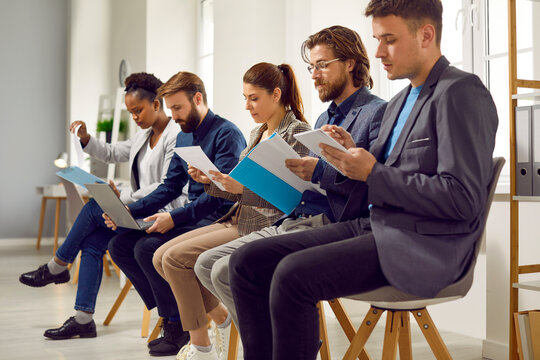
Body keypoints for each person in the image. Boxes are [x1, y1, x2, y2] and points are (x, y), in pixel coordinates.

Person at [228, 1, 499, 359]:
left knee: (291, 275)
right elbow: (386, 172)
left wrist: (373, 171)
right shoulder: (402, 99)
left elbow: (462, 199)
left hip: (423, 244)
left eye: (389, 39)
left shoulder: (460, 92)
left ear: (426, 35)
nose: (378, 52)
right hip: (373, 226)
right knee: (246, 261)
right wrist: (351, 154)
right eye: (377, 39)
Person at [194, 25, 386, 335]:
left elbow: (371, 186)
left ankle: (277, 346)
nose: (314, 74)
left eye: (322, 65)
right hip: (297, 214)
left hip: (334, 223)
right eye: (312, 67)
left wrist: (317, 172)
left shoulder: (376, 112)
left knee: (224, 269)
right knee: (208, 266)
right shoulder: (324, 119)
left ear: (350, 63)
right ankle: (270, 344)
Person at [152, 62, 312, 360]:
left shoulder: (297, 132)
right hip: (238, 216)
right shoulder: (257, 132)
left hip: (266, 223)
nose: (248, 105)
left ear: (276, 94)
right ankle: (223, 321)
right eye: (245, 98)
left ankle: (204, 345)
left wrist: (238, 188)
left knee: (174, 259)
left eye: (254, 98)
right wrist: (211, 180)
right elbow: (238, 186)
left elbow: (292, 198)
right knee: (160, 257)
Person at [19, 72, 187, 340]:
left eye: (138, 110)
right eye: (131, 112)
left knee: (93, 209)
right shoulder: (143, 136)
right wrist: (85, 139)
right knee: (94, 242)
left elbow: (165, 186)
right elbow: (111, 152)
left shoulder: (175, 136)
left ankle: (57, 266)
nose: (135, 117)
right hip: (138, 211)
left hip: (160, 213)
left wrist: (123, 195)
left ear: (157, 103)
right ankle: (83, 319)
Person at [107, 71, 246, 357]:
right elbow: (171, 186)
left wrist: (175, 218)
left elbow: (221, 196)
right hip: (192, 216)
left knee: (148, 248)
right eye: (170, 108)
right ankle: (177, 313)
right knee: (119, 245)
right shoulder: (184, 137)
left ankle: (179, 325)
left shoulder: (226, 134)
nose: (173, 115)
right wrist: (127, 210)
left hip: (217, 218)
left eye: (178, 108)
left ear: (198, 99)